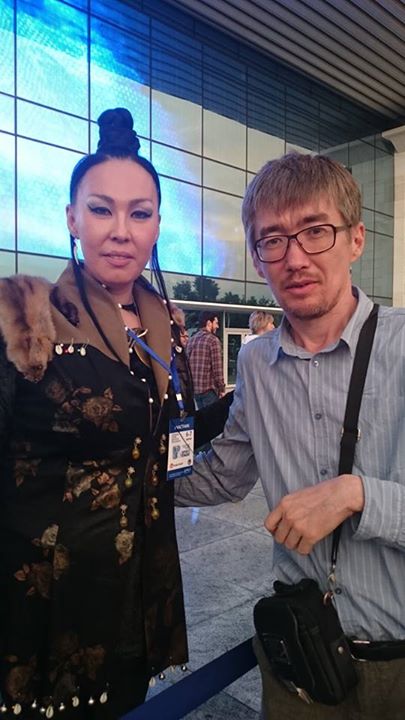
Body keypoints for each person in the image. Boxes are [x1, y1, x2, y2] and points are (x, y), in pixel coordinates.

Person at [0, 108, 230, 719]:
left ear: (157, 226)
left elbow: (166, 437)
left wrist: (248, 397)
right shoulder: (25, 320)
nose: (121, 231)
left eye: (140, 213)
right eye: (102, 210)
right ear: (72, 218)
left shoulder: (165, 327)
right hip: (47, 607)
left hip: (137, 596)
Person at [175, 152, 405, 719]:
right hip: (299, 664)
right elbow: (224, 475)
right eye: (273, 240)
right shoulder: (256, 362)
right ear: (258, 259)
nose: (295, 258)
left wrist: (356, 495)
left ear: (356, 239)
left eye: (315, 231)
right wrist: (120, 478)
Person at [186, 311, 225, 408]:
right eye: (216, 323)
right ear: (209, 323)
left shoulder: (191, 340)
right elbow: (217, 369)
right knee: (213, 417)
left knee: (202, 416)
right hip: (209, 391)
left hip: (195, 391)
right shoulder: (213, 340)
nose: (217, 326)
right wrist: (222, 389)